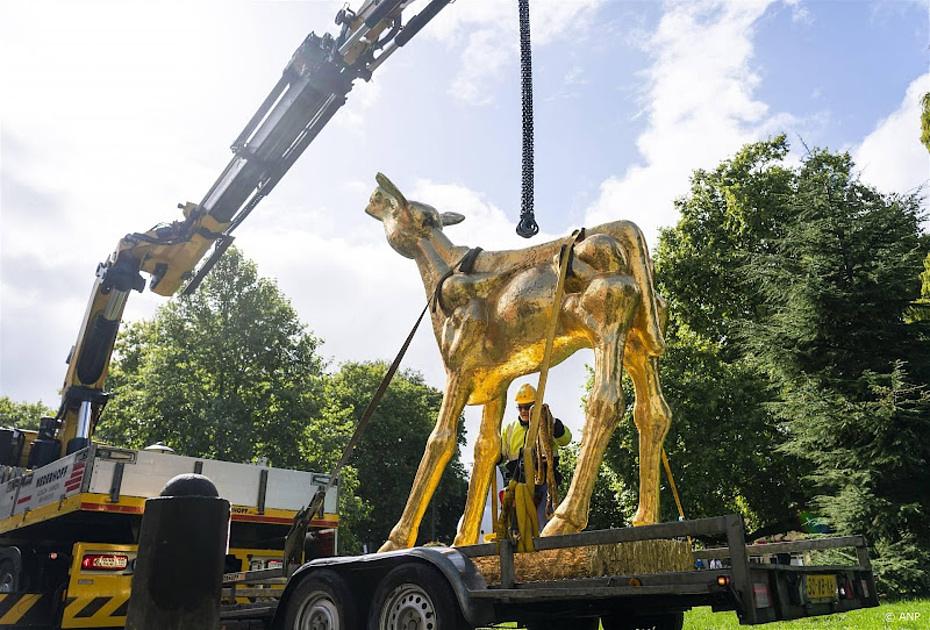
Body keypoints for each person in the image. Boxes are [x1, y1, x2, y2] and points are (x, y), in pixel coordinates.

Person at [499, 383, 572, 532]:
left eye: (528, 406)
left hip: (544, 481)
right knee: (516, 524)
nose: (524, 411)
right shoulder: (510, 428)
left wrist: (554, 424)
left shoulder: (548, 424)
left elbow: (565, 439)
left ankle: (546, 548)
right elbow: (501, 454)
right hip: (519, 482)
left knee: (543, 521)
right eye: (520, 407)